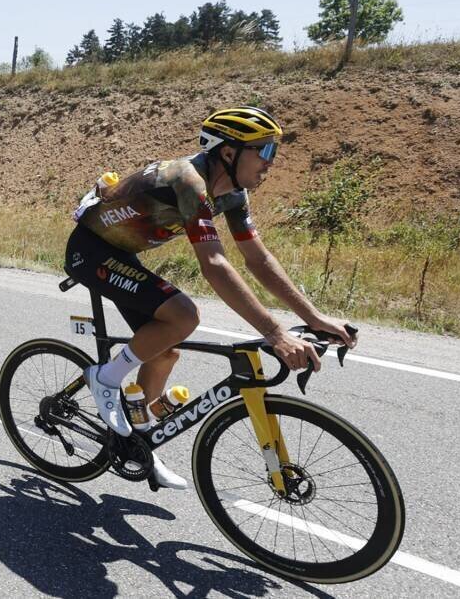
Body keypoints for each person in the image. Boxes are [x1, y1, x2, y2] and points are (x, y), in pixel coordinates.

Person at [63, 106, 357, 490]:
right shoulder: (189, 181)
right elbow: (215, 264)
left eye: (273, 152)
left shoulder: (233, 195)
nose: (270, 163)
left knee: (165, 350)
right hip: (91, 251)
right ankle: (104, 377)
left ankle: (141, 443)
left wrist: (314, 318)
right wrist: (276, 333)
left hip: (121, 253)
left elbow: (258, 259)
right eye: (264, 152)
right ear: (229, 153)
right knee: (184, 315)